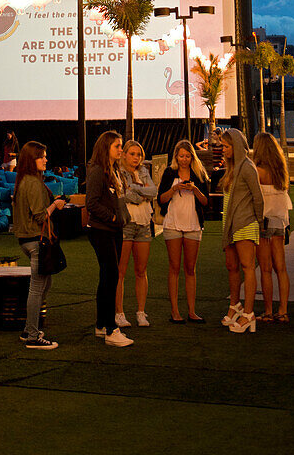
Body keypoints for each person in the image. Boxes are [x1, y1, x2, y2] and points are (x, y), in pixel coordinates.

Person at [12, 141, 65, 349]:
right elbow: (41, 216)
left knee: (44, 284)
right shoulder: (32, 182)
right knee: (37, 288)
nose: (46, 159)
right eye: (41, 156)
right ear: (31, 159)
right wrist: (55, 205)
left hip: (27, 240)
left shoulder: (24, 180)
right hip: (36, 240)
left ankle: (29, 329)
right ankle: (32, 335)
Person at [85, 130, 132, 347]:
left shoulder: (115, 170)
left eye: (121, 145)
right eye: (117, 146)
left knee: (108, 276)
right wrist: (112, 216)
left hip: (115, 229)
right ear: (106, 148)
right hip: (101, 229)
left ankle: (102, 324)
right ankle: (111, 329)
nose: (121, 149)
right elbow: (92, 203)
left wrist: (121, 217)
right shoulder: (97, 171)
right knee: (111, 275)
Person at [157, 139, 210, 323]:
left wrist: (194, 189)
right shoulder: (169, 173)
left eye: (187, 156)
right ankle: (175, 311)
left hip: (193, 224)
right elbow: (161, 199)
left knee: (190, 269)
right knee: (174, 267)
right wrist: (175, 188)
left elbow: (205, 202)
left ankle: (192, 311)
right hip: (172, 224)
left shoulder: (198, 174)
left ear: (192, 157)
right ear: (176, 157)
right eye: (181, 156)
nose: (184, 160)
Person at [220, 128, 264, 334]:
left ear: (236, 146)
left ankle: (248, 313)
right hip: (229, 224)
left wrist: (258, 222)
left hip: (245, 223)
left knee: (248, 267)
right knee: (231, 266)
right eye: (223, 146)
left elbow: (258, 197)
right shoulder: (231, 167)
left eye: (226, 146)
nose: (223, 149)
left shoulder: (247, 167)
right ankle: (235, 305)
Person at [115, 140, 157, 328]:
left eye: (138, 154)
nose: (136, 158)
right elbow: (125, 194)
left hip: (143, 222)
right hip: (126, 222)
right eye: (132, 154)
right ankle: (119, 313)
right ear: (124, 155)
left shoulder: (143, 172)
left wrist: (137, 189)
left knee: (141, 269)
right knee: (120, 271)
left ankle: (141, 312)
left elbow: (153, 191)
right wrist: (140, 193)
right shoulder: (119, 172)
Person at [252, 132, 292, 323]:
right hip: (281, 220)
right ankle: (283, 310)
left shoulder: (257, 171)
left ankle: (268, 311)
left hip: (264, 221)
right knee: (281, 268)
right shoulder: (281, 169)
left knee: (265, 269)